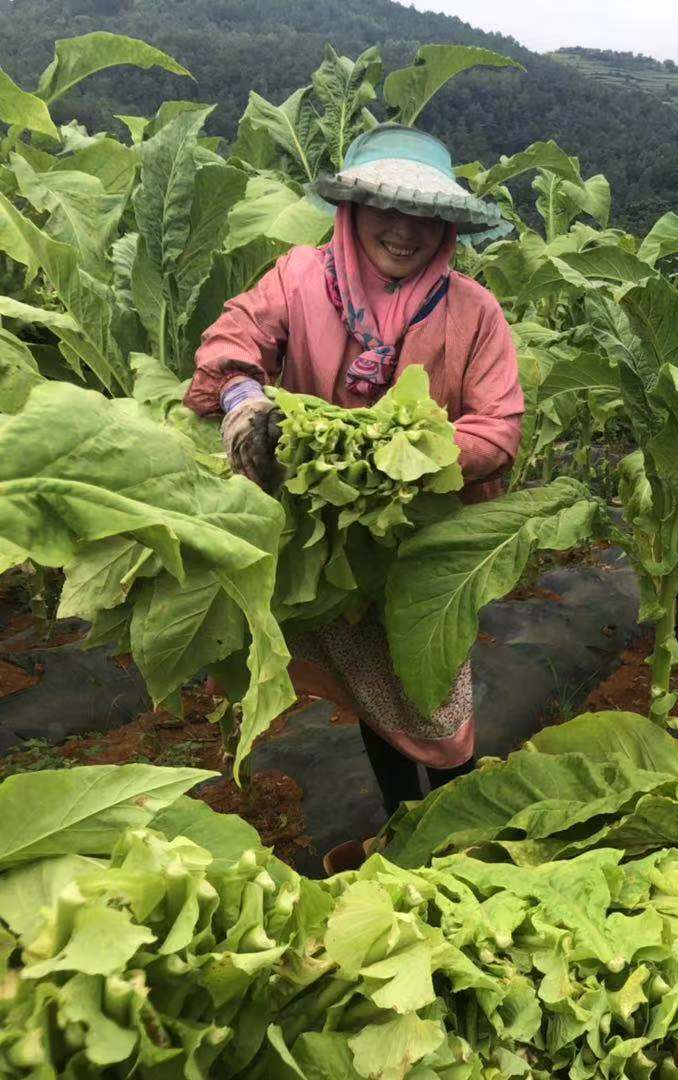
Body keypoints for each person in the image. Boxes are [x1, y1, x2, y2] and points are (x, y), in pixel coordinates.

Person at [184, 124, 524, 821]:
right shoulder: (301, 277)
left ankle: (457, 826)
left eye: (424, 215)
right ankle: (405, 821)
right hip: (328, 538)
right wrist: (242, 392)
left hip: (426, 541)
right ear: (352, 212)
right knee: (374, 688)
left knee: (434, 686)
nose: (403, 231)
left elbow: (498, 428)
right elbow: (235, 338)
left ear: (446, 229)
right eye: (384, 208)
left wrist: (397, 459)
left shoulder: (474, 312)